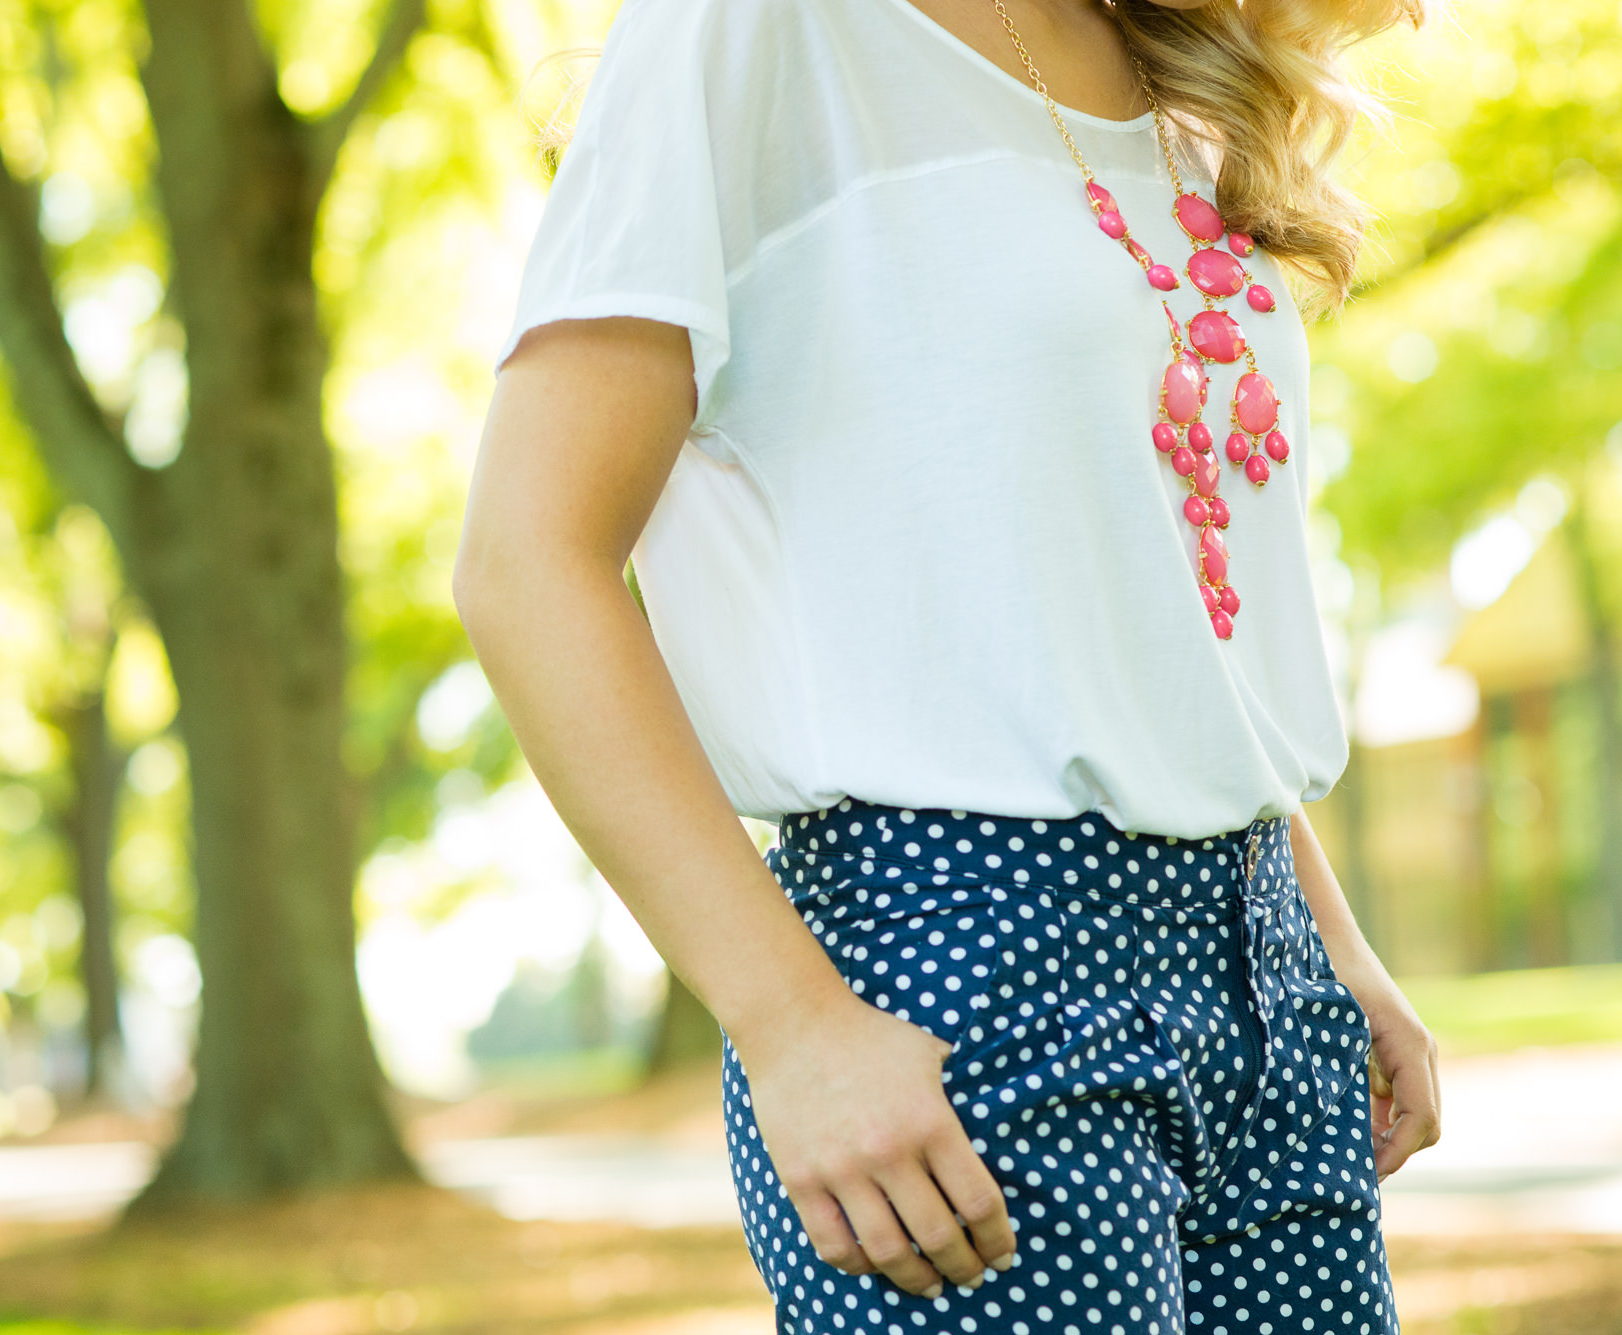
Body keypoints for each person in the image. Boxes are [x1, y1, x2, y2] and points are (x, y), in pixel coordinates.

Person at [454, 0, 1443, 1330]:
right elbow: (528, 562)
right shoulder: (757, 33)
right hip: (969, 972)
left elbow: (1134, 599)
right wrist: (791, 1027)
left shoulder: (1158, 58)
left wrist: (1328, 942)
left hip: (1264, 969)